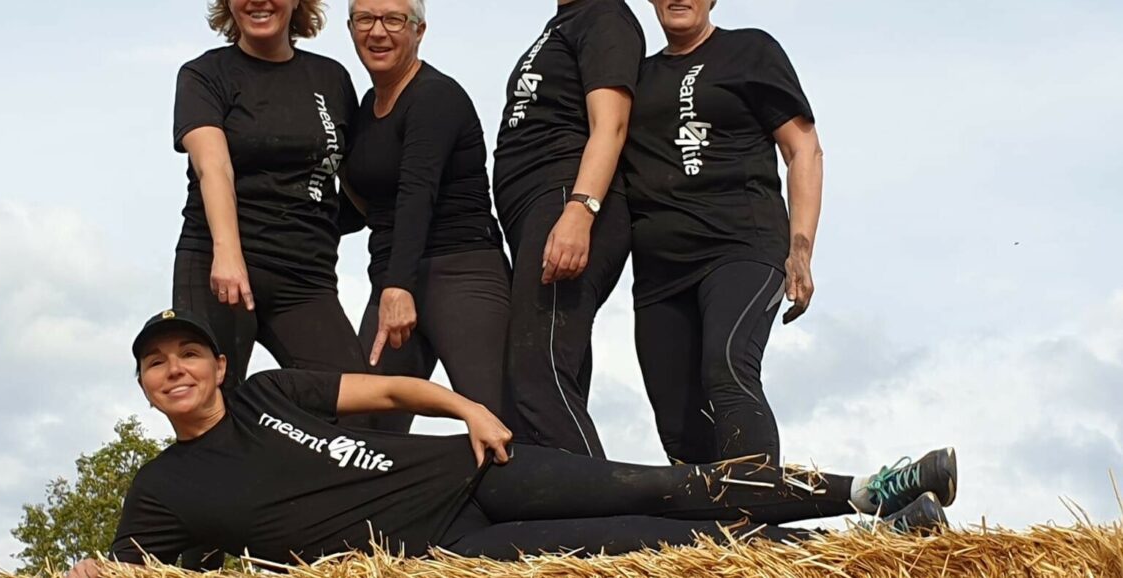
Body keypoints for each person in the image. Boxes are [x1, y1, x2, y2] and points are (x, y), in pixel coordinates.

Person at [65, 308, 955, 576]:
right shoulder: (161, 492)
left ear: (217, 367)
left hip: (479, 469)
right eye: (155, 363)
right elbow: (139, 574)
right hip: (448, 548)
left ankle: (866, 489)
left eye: (189, 354)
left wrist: (467, 408)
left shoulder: (269, 393)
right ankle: (870, 551)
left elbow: (387, 386)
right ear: (144, 387)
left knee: (662, 486)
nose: (174, 370)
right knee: (660, 546)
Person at [622, 0, 823, 465]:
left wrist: (801, 249)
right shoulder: (636, 76)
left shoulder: (749, 49)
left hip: (741, 246)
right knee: (676, 419)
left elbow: (803, 149)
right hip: (659, 272)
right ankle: (716, 533)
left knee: (728, 366)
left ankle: (756, 513)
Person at [171, 0, 368, 394]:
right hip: (220, 265)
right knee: (212, 405)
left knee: (357, 403)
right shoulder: (204, 74)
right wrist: (228, 253)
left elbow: (356, 179)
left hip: (305, 277)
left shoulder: (330, 78)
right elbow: (214, 167)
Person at [343, 0, 511, 432]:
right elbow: (363, 204)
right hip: (392, 273)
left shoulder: (436, 95)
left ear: (419, 32)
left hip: (460, 268)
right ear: (350, 28)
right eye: (365, 19)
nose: (377, 32)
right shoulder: (364, 108)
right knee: (363, 428)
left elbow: (418, 191)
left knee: (493, 420)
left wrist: (398, 287)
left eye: (393, 20)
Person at [491, 0, 645, 458]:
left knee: (539, 373)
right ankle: (566, 517)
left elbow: (611, 125)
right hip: (543, 211)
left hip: (569, 203)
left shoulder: (606, 16)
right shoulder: (566, 21)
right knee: (554, 373)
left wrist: (581, 209)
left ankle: (606, 519)